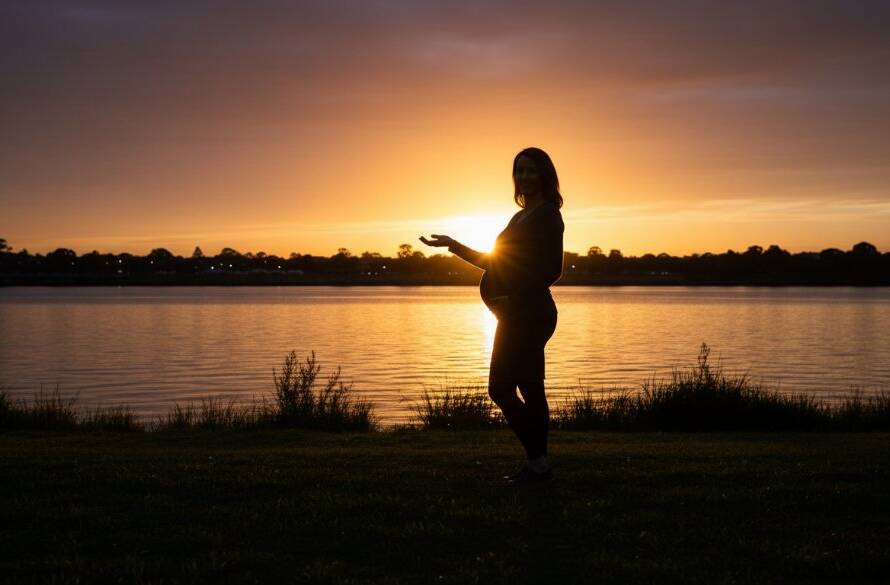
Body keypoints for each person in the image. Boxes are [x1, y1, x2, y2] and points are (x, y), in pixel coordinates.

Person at [420, 147, 564, 483]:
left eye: (531, 170)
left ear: (544, 174)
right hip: (516, 314)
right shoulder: (520, 217)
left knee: (500, 389)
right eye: (519, 171)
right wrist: (453, 245)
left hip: (528, 314)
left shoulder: (547, 215)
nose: (524, 177)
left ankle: (538, 462)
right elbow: (493, 261)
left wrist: (514, 298)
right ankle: (538, 465)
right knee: (529, 387)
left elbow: (551, 270)